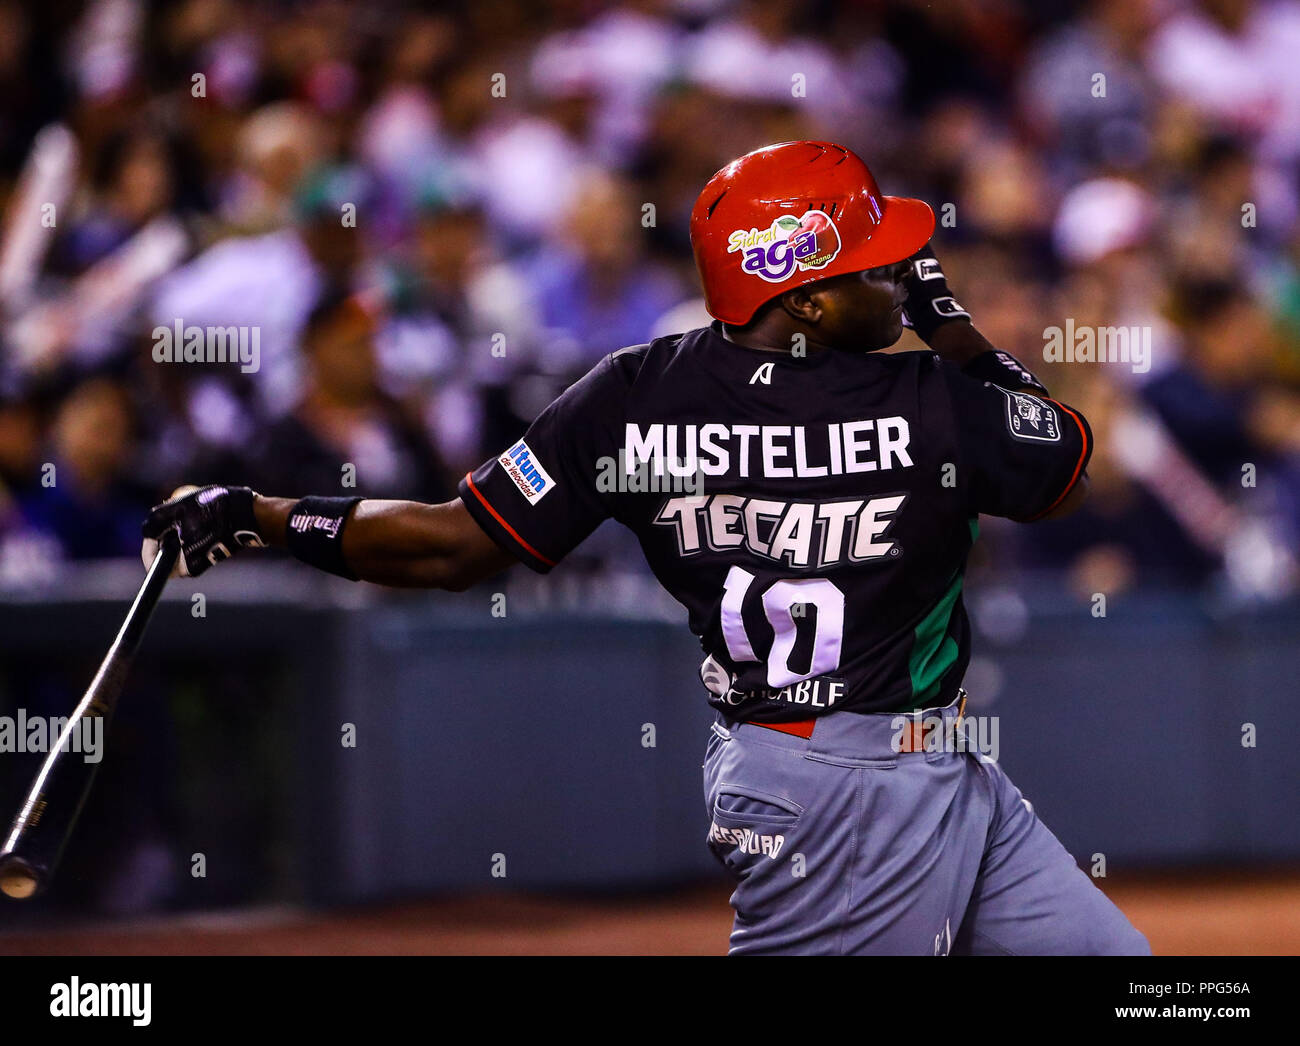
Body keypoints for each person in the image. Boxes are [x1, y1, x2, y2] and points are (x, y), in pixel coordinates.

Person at [141, 141, 1149, 955]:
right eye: (868, 261)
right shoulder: (930, 399)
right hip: (849, 793)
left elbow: (452, 543)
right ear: (799, 296)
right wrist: (948, 318)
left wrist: (259, 512)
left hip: (859, 765)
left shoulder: (636, 394)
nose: (896, 269)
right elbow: (1061, 463)